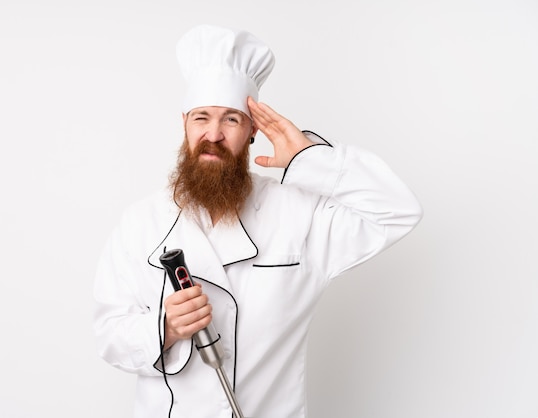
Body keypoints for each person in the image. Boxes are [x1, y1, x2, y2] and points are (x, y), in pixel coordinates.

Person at [93, 24, 423, 418]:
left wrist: (310, 158)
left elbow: (399, 210)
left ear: (252, 131)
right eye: (202, 118)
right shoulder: (140, 223)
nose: (213, 134)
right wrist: (164, 327)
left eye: (231, 120)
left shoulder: (298, 215)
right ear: (185, 124)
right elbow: (109, 335)